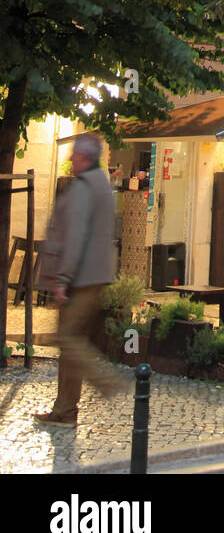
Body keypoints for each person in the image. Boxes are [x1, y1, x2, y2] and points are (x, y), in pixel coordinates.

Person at [35, 133, 125, 425]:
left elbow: (76, 236)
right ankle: (65, 410)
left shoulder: (85, 188)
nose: (70, 158)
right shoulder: (101, 183)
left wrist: (62, 278)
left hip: (80, 279)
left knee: (68, 339)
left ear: (83, 157)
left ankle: (106, 380)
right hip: (94, 276)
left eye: (74, 154)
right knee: (70, 346)